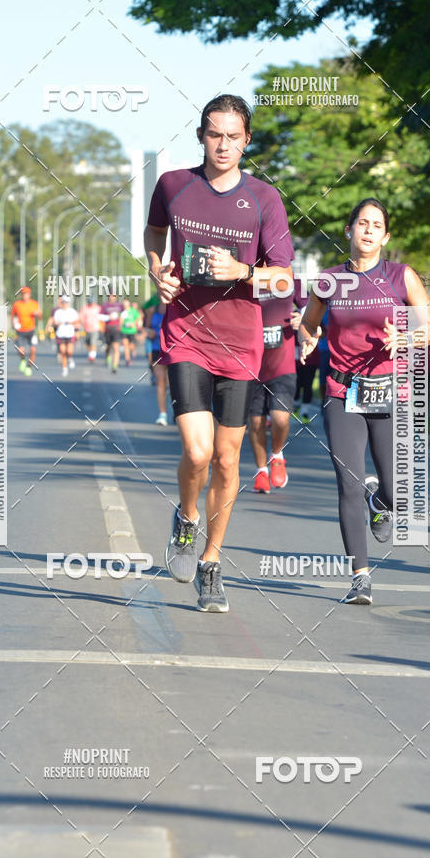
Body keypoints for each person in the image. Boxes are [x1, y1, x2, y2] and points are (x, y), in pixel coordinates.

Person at [145, 94, 294, 613]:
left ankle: (211, 562)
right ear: (201, 135)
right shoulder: (174, 186)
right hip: (186, 332)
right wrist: (155, 269)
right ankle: (186, 519)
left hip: (241, 344)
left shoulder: (264, 199)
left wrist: (244, 273)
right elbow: (154, 232)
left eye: (234, 136)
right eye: (215, 134)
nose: (224, 144)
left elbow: (284, 276)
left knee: (229, 460)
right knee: (199, 451)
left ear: (246, 140)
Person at [298, 198, 430, 605]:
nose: (367, 230)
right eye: (361, 223)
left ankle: (381, 501)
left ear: (386, 236)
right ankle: (360, 576)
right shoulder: (327, 281)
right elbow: (310, 325)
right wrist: (307, 340)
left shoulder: (401, 276)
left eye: (376, 225)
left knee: (400, 494)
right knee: (348, 484)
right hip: (343, 392)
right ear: (348, 230)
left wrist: (406, 337)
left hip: (390, 390)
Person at [248, 286, 297, 492]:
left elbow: (313, 308)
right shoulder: (244, 278)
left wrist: (303, 320)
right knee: (256, 421)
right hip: (251, 366)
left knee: (280, 418)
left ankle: (277, 455)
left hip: (282, 365)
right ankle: (261, 471)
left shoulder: (289, 280)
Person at [11, 286, 42, 376]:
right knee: (21, 350)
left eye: (26, 294)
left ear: (29, 294)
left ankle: (29, 367)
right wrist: (14, 324)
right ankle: (23, 360)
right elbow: (13, 315)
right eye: (23, 294)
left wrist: (37, 314)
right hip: (20, 331)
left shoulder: (34, 304)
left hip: (31, 330)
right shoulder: (17, 304)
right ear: (21, 295)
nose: (25, 295)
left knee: (32, 350)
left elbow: (40, 317)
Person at [148, 301, 168, 425]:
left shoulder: (177, 305)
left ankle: (178, 412)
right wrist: (150, 332)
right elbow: (148, 328)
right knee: (160, 382)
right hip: (157, 349)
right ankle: (162, 414)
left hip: (174, 350)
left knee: (174, 384)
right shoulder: (153, 309)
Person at [52, 295, 79, 376]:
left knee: (69, 351)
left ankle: (70, 358)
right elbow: (54, 322)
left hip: (70, 334)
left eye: (66, 302)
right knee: (63, 352)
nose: (64, 304)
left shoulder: (72, 311)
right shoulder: (58, 312)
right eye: (63, 302)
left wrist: (70, 322)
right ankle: (64, 369)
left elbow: (77, 320)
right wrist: (57, 324)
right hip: (60, 334)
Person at [100, 293, 123, 372]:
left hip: (116, 329)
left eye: (113, 296)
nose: (112, 297)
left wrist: (121, 323)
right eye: (110, 296)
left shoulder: (119, 306)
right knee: (108, 347)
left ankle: (115, 366)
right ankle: (108, 357)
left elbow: (123, 315)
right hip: (108, 329)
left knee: (116, 348)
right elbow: (100, 316)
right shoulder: (105, 306)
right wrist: (108, 317)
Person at [119, 298, 141, 366]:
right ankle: (128, 360)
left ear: (129, 304)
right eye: (124, 304)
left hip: (132, 331)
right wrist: (123, 324)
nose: (125, 305)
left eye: (126, 304)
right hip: (124, 330)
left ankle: (133, 350)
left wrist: (134, 324)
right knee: (125, 345)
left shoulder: (133, 311)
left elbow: (138, 318)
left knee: (131, 346)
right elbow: (120, 322)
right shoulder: (122, 312)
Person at [81, 296, 102, 362]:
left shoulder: (98, 308)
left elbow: (101, 317)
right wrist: (82, 325)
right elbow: (81, 317)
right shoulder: (84, 308)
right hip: (87, 328)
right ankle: (91, 354)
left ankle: (92, 356)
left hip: (95, 328)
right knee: (88, 343)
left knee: (93, 342)